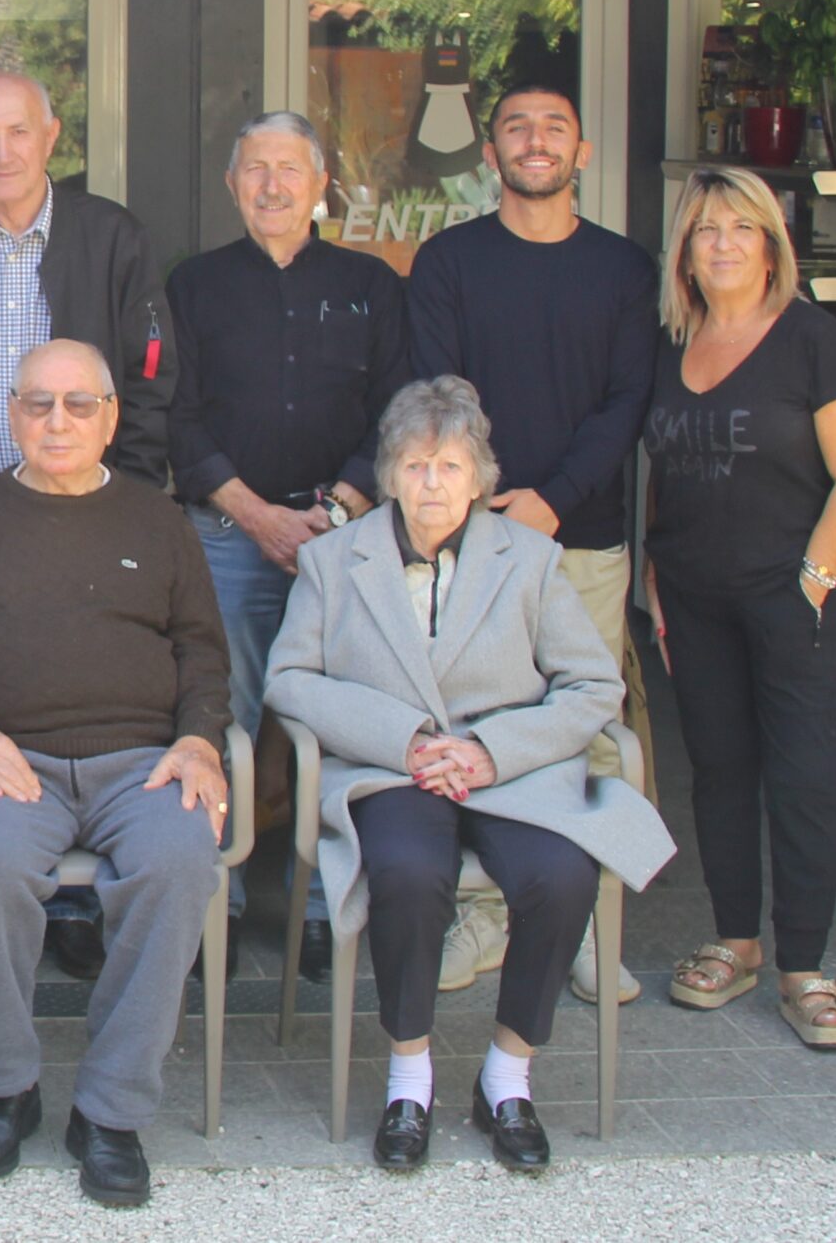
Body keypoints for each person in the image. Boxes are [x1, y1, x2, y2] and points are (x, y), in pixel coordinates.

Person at [266, 376, 673, 1173]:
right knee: (410, 873)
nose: (431, 484)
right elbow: (289, 678)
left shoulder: (531, 557)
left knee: (560, 876)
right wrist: (405, 737)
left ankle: (506, 1076)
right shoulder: (331, 561)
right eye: (415, 465)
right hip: (395, 769)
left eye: (450, 467)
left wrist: (493, 749)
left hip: (510, 768)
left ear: (480, 476)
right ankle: (408, 1077)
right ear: (388, 474)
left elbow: (593, 684)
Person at [0, 338, 229, 1209]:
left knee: (181, 861)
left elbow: (203, 652)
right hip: (9, 759)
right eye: (38, 403)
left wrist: (199, 740)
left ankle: (112, 1111)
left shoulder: (158, 519)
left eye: (80, 404)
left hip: (140, 764)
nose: (58, 420)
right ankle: (4, 1088)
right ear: (11, 414)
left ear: (112, 417)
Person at [0, 73, 177, 980]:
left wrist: (113, 497)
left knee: (81, 689)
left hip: (80, 502)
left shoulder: (110, 235)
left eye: (20, 132)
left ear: (52, 136)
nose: (2, 151)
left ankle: (82, 906)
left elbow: (152, 375)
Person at [407, 81, 659, 1004]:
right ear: (492, 153)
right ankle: (484, 915)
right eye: (516, 127)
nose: (535, 141)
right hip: (469, 540)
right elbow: (440, 390)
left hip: (582, 540)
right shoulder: (449, 261)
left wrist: (553, 499)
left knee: (588, 732)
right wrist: (478, 505)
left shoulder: (626, 270)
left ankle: (586, 925)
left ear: (581, 151)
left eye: (554, 127)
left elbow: (627, 402)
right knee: (477, 725)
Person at [643, 168, 836, 1050]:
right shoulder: (673, 344)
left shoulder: (813, 339)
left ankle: (805, 968)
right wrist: (661, 592)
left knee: (805, 778)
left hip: (793, 596)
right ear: (685, 252)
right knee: (721, 771)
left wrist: (811, 584)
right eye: (705, 229)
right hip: (696, 600)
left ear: (772, 243)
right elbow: (664, 477)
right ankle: (737, 940)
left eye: (742, 227)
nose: (723, 243)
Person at [169, 110, 407, 984]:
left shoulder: (371, 285)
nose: (272, 185)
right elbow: (177, 417)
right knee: (217, 720)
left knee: (335, 723)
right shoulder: (192, 285)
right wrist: (259, 515)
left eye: (290, 170)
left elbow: (398, 409)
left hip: (344, 543)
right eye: (255, 169)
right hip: (228, 538)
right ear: (233, 185)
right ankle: (216, 905)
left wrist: (336, 510)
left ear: (320, 187)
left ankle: (319, 907)